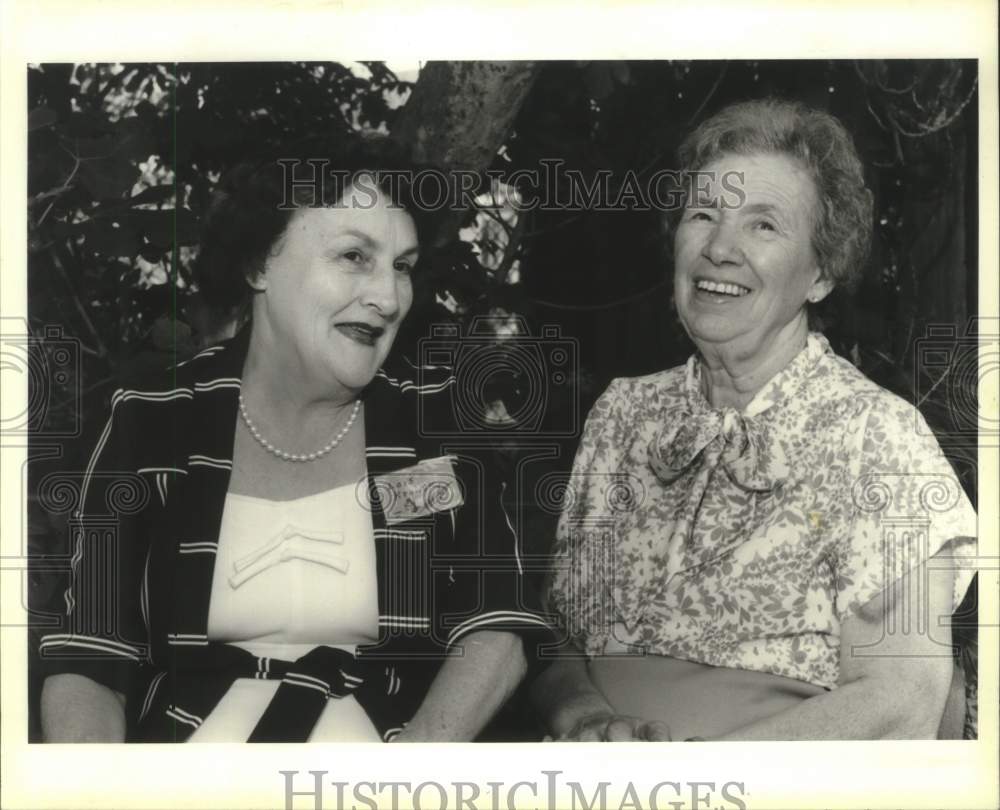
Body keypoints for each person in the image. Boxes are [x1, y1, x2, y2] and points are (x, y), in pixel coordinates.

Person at [38, 139, 550, 742]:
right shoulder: (151, 423)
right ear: (259, 264)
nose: (388, 297)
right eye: (355, 256)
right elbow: (90, 660)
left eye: (403, 267)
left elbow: (495, 628)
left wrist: (407, 778)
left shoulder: (432, 424)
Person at [532, 98, 977, 741]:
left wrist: (700, 781)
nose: (719, 248)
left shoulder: (876, 435)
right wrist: (588, 721)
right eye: (703, 215)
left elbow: (898, 701)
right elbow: (555, 643)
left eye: (763, 226)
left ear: (821, 273)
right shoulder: (623, 414)